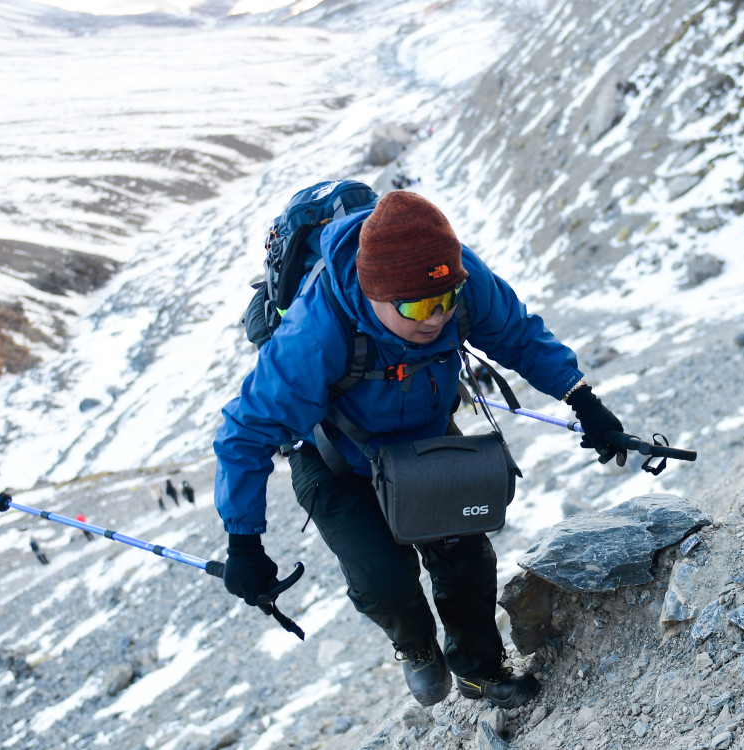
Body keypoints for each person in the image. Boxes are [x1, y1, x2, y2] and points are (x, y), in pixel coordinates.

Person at [212, 191, 625, 708]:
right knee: (381, 579)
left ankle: (480, 669)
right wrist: (243, 543)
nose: (437, 319)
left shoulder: (455, 276)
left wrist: (582, 399)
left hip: (422, 432)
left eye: (446, 301)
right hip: (331, 453)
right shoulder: (315, 332)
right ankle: (415, 647)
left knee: (465, 558)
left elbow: (517, 334)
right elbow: (245, 432)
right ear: (372, 294)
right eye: (416, 307)